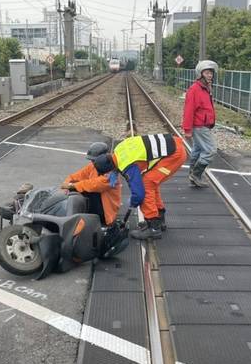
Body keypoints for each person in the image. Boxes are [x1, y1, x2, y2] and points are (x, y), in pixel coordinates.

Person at [92, 133, 188, 240]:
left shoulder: (127, 165)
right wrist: (115, 171)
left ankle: (153, 227)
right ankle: (159, 219)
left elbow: (139, 194)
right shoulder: (118, 149)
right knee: (151, 181)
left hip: (175, 154)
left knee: (147, 184)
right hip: (173, 143)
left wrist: (134, 201)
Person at [61, 141, 121, 225]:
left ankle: (96, 223)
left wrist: (72, 186)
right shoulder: (93, 166)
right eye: (92, 160)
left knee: (83, 189)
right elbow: (75, 176)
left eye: (94, 160)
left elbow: (94, 185)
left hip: (106, 211)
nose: (92, 162)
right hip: (97, 203)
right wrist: (67, 182)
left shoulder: (112, 174)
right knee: (77, 188)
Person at [182, 59, 218, 188]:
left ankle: (193, 175)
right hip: (200, 126)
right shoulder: (195, 89)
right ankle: (196, 175)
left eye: (211, 73)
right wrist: (187, 129)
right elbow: (188, 110)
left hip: (204, 125)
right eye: (207, 73)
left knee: (197, 150)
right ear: (200, 74)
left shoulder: (206, 88)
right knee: (210, 150)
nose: (210, 75)